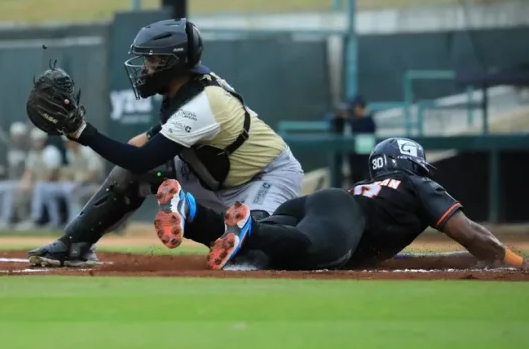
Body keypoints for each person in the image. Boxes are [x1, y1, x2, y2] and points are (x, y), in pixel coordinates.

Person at [27, 18, 304, 267]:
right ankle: (74, 243)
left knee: (254, 247)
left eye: (151, 60)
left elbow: (143, 158)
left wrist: (83, 132)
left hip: (265, 176)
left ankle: (213, 225)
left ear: (173, 63)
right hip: (213, 175)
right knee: (131, 172)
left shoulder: (203, 103)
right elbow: (144, 151)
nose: (144, 68)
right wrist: (135, 141)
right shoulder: (187, 92)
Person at [203, 137, 528, 271]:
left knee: (265, 254)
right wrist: (514, 261)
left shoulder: (370, 191)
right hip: (334, 217)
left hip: (318, 207)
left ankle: (192, 215)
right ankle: (249, 230)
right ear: (413, 165)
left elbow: (393, 257)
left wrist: (470, 262)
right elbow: (470, 234)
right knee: (309, 247)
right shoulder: (417, 183)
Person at [14, 128, 64, 231]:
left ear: (44, 140)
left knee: (40, 188)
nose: (36, 142)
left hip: (54, 183)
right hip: (38, 184)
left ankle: (35, 218)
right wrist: (25, 183)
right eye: (34, 140)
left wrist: (37, 183)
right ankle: (19, 220)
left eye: (39, 139)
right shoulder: (33, 153)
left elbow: (53, 174)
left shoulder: (51, 151)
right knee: (19, 190)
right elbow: (29, 171)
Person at [346, 95, 377, 184]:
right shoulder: (350, 122)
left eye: (362, 107)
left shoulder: (369, 121)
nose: (360, 110)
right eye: (358, 107)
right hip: (354, 158)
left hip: (367, 157)